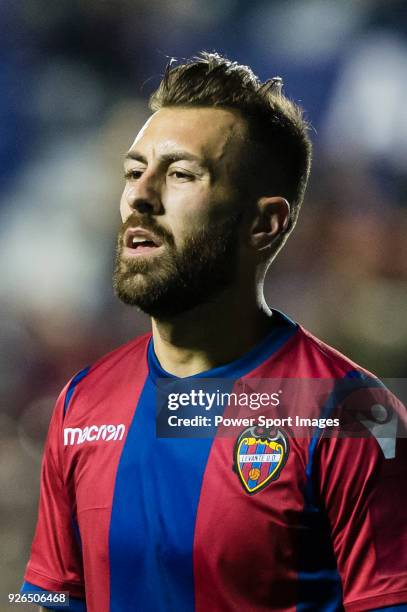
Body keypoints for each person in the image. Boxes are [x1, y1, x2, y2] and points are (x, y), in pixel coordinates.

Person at [21, 52, 407, 612]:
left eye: (180, 174)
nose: (140, 196)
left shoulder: (353, 415)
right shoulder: (82, 405)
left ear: (264, 223)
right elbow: (50, 598)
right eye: (134, 172)